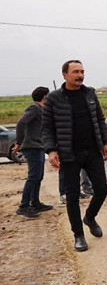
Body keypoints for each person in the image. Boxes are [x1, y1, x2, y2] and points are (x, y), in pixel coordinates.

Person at [43, 60, 107, 252]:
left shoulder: (90, 93)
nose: (80, 75)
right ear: (65, 75)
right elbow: (47, 128)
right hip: (68, 154)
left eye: (82, 71)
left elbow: (100, 119)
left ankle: (89, 217)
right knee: (72, 196)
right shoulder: (54, 98)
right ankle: (78, 235)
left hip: (93, 151)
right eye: (75, 72)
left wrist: (106, 143)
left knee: (101, 190)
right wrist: (51, 150)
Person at [13, 86, 52, 218]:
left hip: (38, 147)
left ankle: (35, 203)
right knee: (33, 177)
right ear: (45, 97)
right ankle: (24, 206)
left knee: (38, 177)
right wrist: (19, 142)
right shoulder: (34, 108)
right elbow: (21, 122)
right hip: (32, 147)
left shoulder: (41, 110)